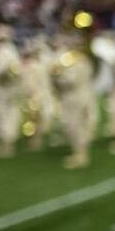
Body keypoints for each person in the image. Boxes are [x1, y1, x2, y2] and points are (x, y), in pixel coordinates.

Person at [50, 33, 95, 169]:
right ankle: (81, 153)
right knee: (80, 124)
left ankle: (80, 155)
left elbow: (70, 80)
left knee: (74, 125)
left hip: (73, 97)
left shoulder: (73, 61)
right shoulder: (85, 59)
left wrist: (57, 77)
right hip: (83, 95)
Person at [0, 24, 22, 159]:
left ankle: (6, 147)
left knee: (3, 116)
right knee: (5, 116)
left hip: (3, 89)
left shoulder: (5, 50)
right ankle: (5, 145)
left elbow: (4, 70)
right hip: (7, 89)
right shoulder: (10, 49)